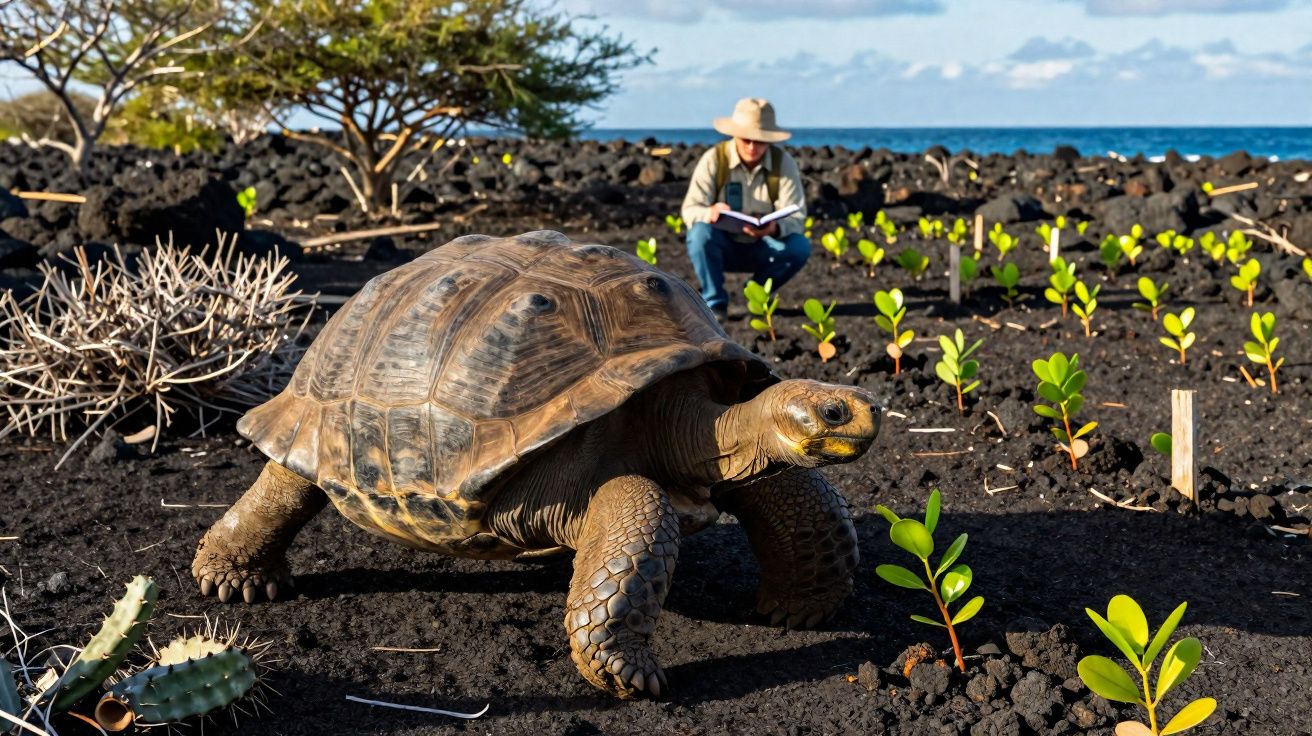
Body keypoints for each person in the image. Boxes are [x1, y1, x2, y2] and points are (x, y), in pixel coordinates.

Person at [681, 97, 810, 322]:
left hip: (764, 245)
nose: (752, 147)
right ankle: (715, 303)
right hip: (722, 245)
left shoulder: (783, 163)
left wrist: (774, 228)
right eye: (746, 139)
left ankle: (757, 294)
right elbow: (690, 210)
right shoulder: (714, 159)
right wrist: (709, 213)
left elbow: (798, 215)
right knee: (699, 234)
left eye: (760, 141)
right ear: (735, 135)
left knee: (799, 246)